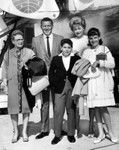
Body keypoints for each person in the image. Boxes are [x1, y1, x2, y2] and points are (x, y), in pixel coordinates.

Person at [82, 27, 118, 143]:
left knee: (103, 108)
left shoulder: (104, 49)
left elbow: (112, 64)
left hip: (103, 84)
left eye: (95, 37)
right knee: (96, 108)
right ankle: (101, 133)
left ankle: (111, 133)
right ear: (89, 39)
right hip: (91, 83)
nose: (93, 40)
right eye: (91, 38)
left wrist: (100, 62)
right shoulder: (86, 52)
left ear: (99, 37)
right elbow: (83, 67)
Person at [32, 17, 64, 139]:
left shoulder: (59, 39)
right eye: (44, 26)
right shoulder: (35, 40)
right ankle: (44, 130)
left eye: (48, 25)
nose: (46, 28)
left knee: (58, 104)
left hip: (57, 77)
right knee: (44, 104)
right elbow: (34, 58)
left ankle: (58, 129)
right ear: (41, 26)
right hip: (43, 78)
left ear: (52, 25)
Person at [2, 30, 35, 143]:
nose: (20, 41)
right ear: (13, 41)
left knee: (26, 108)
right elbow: (5, 68)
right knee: (13, 109)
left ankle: (24, 132)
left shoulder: (29, 52)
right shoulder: (8, 53)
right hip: (13, 84)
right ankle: (16, 132)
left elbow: (36, 65)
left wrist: (27, 65)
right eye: (18, 40)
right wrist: (4, 82)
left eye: (22, 39)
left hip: (25, 85)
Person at [49, 38, 80, 144]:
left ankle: (71, 134)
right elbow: (51, 74)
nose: (66, 50)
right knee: (58, 111)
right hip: (59, 88)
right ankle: (57, 135)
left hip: (72, 87)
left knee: (71, 110)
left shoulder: (76, 58)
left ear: (71, 48)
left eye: (69, 47)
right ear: (61, 48)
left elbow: (81, 71)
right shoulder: (56, 59)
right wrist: (54, 85)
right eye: (64, 47)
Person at [69, 15, 89, 137]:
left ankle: (91, 126)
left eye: (79, 28)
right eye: (75, 29)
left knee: (91, 102)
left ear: (83, 27)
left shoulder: (88, 39)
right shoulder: (71, 41)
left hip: (90, 73)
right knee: (76, 101)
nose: (77, 31)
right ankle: (76, 128)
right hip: (77, 74)